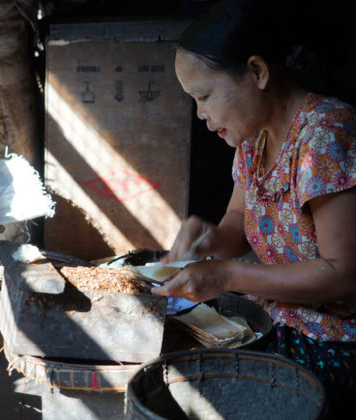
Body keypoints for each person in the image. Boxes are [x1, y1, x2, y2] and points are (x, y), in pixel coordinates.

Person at [151, 0, 356, 415]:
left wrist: (227, 274)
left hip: (334, 344)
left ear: (257, 72)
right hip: (273, 322)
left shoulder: (325, 135)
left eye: (204, 95)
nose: (201, 115)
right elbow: (238, 224)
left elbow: (343, 273)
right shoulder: (253, 142)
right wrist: (208, 238)